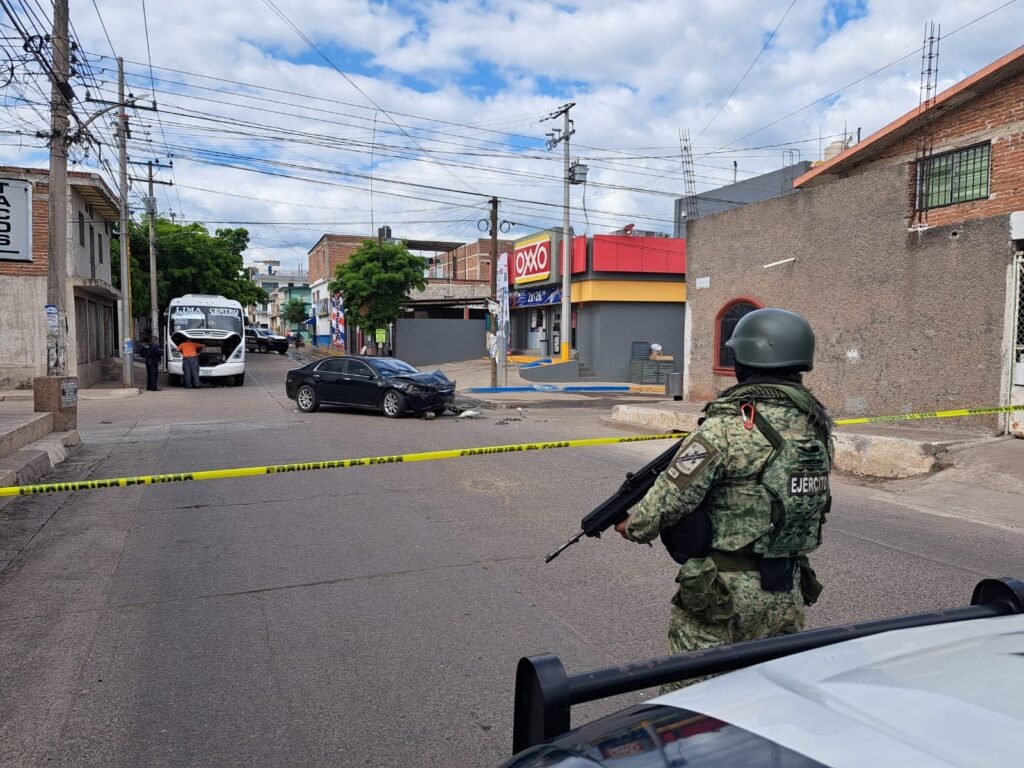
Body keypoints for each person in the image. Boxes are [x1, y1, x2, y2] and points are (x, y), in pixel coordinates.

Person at [615, 308, 834, 689]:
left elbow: (667, 502)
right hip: (788, 589)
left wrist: (632, 526)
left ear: (743, 361)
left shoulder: (725, 427)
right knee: (772, 693)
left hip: (723, 594)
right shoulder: (816, 427)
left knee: (694, 701)